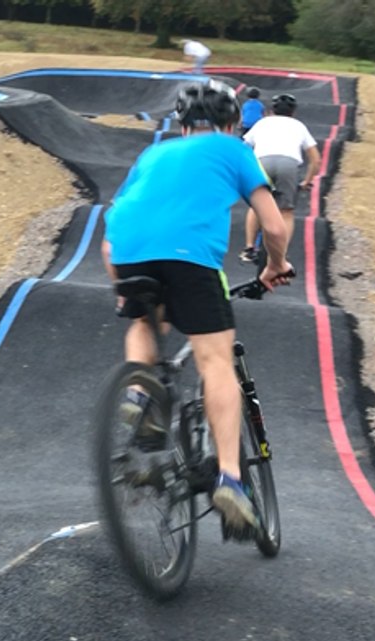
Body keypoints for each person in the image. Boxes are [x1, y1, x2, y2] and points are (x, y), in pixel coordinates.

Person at [101, 79, 293, 531]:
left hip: (124, 249)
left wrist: (124, 289)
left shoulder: (152, 154)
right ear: (231, 124)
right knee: (215, 361)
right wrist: (274, 266)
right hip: (189, 258)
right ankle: (230, 478)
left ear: (183, 126)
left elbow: (111, 237)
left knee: (147, 318)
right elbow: (274, 227)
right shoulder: (235, 152)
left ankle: (139, 394)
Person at [239, 93, 321, 263]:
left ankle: (249, 248)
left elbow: (243, 148)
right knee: (286, 212)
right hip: (288, 165)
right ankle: (280, 254)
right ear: (294, 112)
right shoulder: (299, 126)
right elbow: (315, 159)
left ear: (271, 110)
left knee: (256, 207)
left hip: (262, 162)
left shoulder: (262, 123)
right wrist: (307, 180)